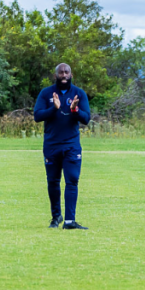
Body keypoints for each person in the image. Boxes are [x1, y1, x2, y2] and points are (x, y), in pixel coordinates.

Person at [34, 63, 90, 229]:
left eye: (66, 72)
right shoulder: (46, 93)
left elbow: (86, 118)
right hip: (52, 145)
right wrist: (54, 108)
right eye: (61, 72)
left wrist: (75, 110)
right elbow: (37, 116)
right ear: (55, 75)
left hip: (71, 145)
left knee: (72, 180)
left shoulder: (79, 94)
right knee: (53, 181)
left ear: (71, 75)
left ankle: (69, 221)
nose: (64, 75)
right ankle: (56, 216)